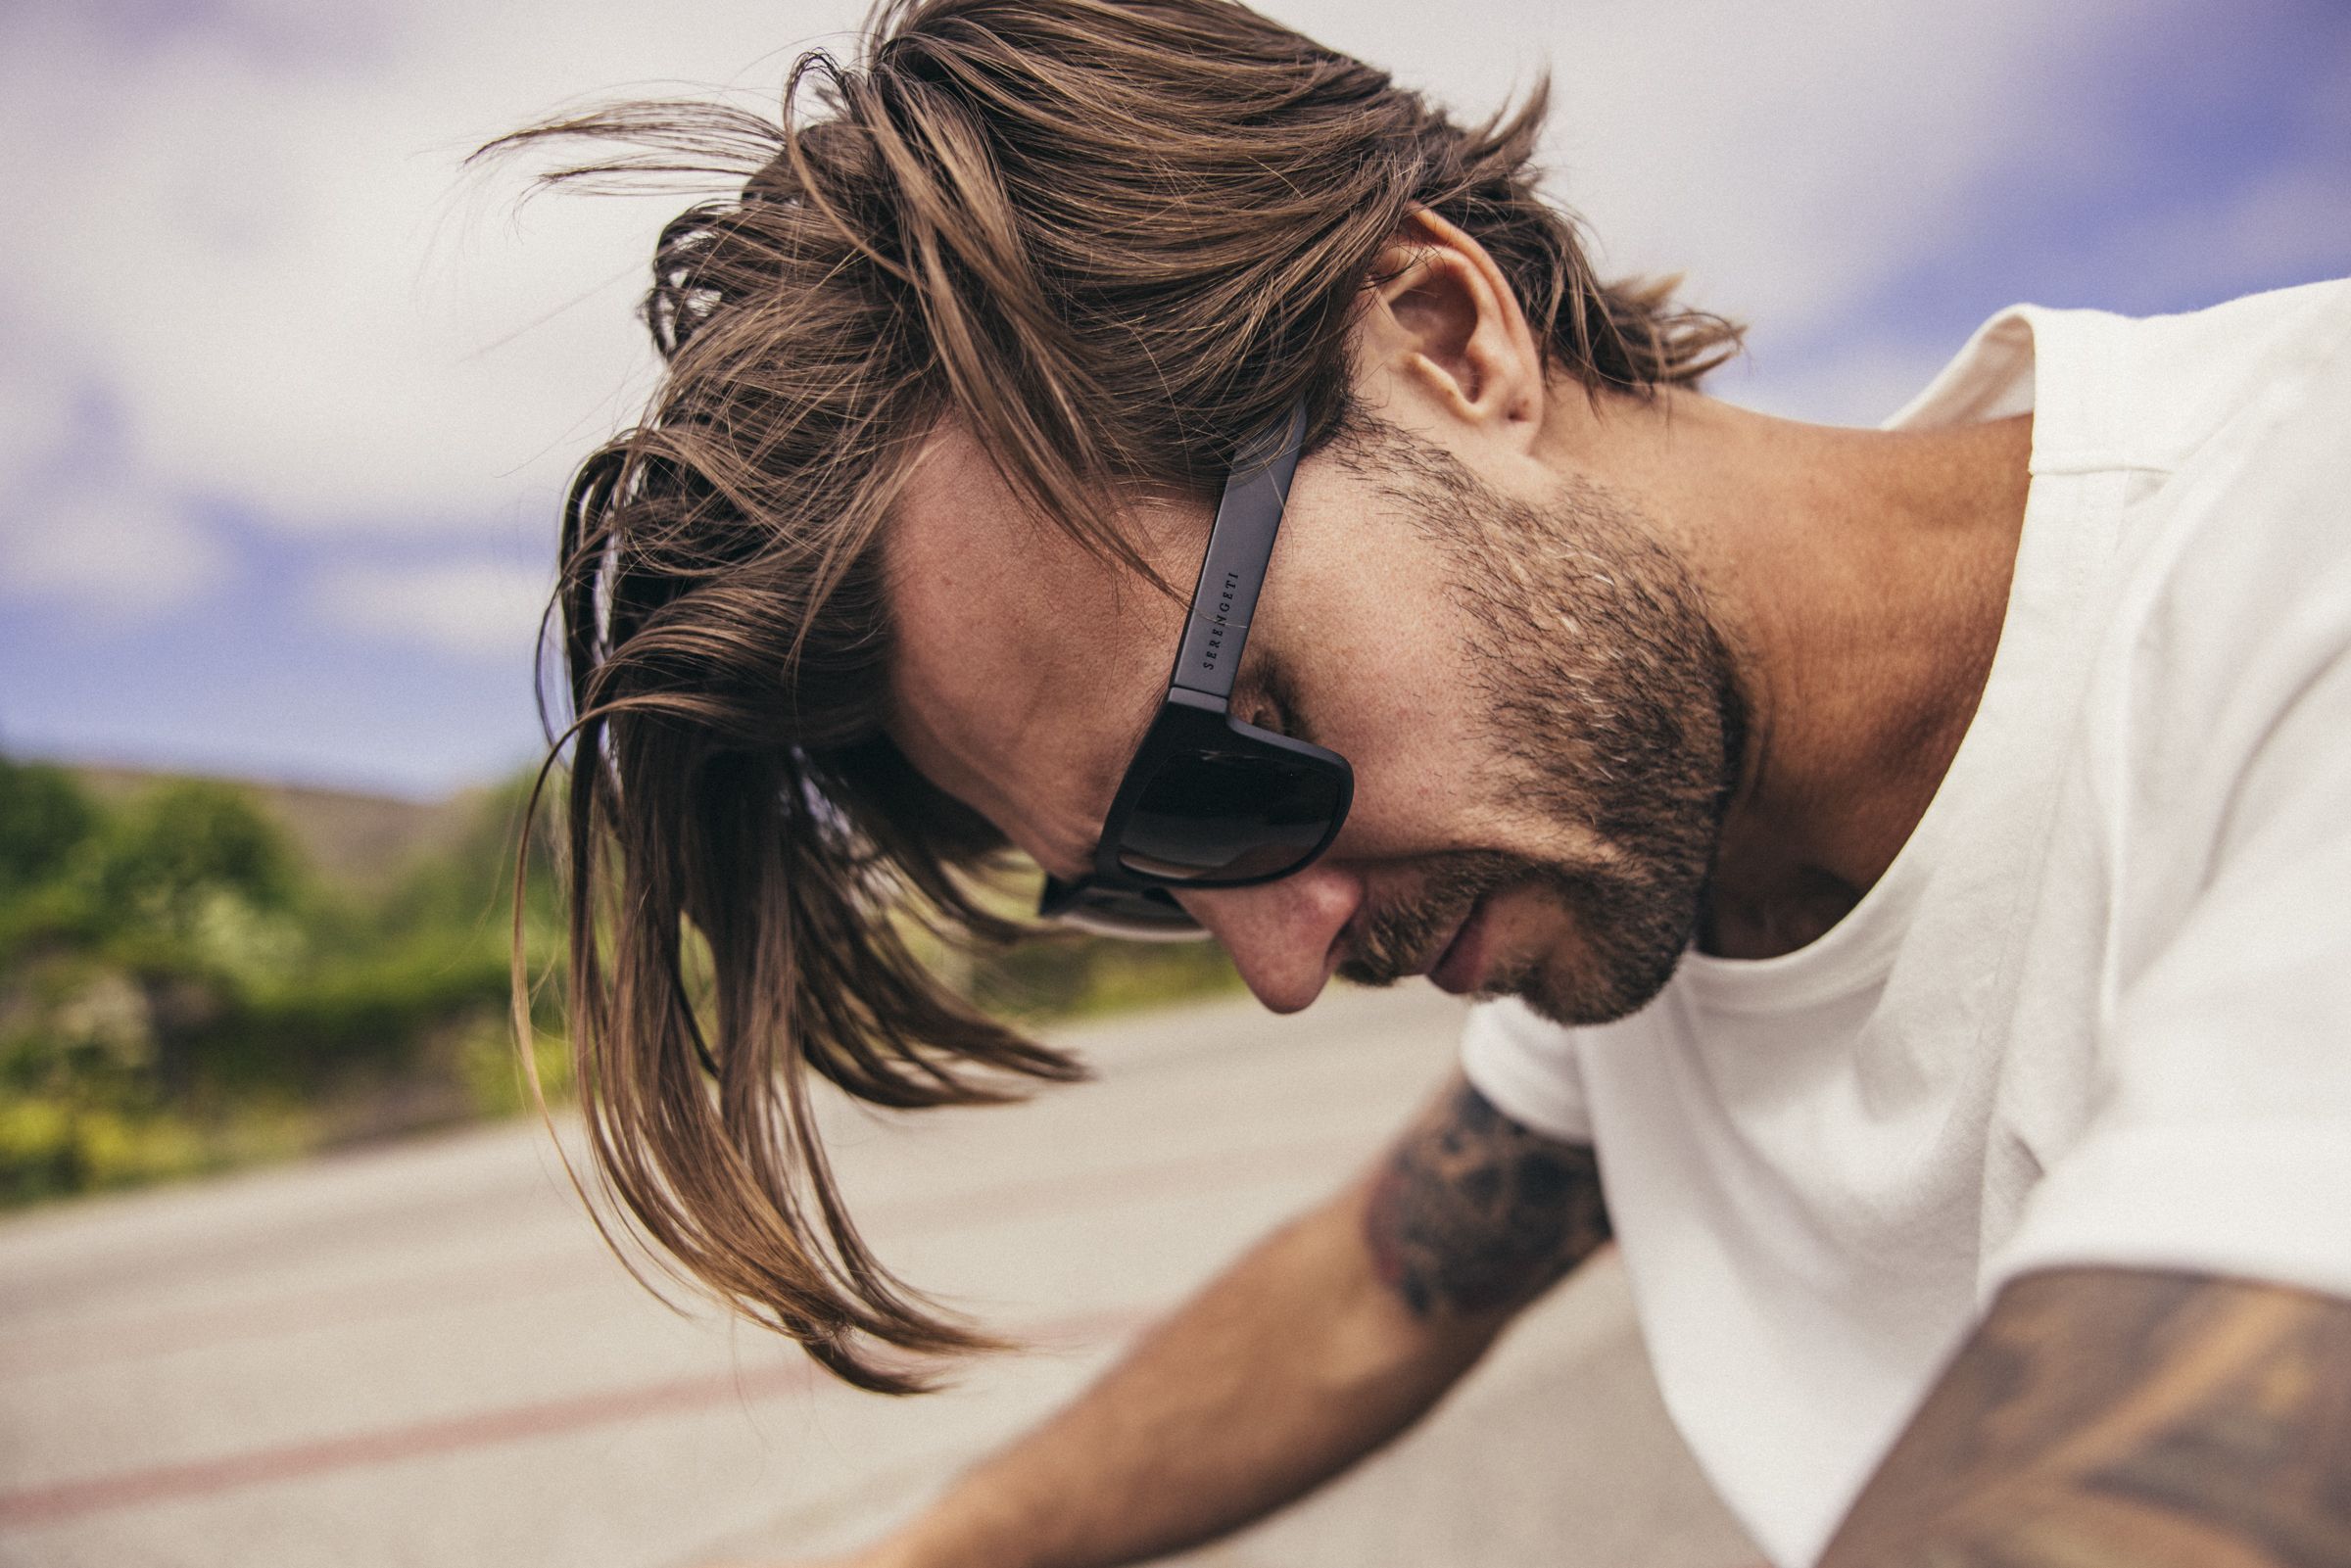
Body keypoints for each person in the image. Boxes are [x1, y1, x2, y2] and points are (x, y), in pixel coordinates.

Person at [501, 1, 2351, 1563]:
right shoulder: (1640, 829)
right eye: (1144, 873)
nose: (1281, 963)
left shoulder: (2294, 569)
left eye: (1217, 774)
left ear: (1451, 344)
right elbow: (1382, 1283)